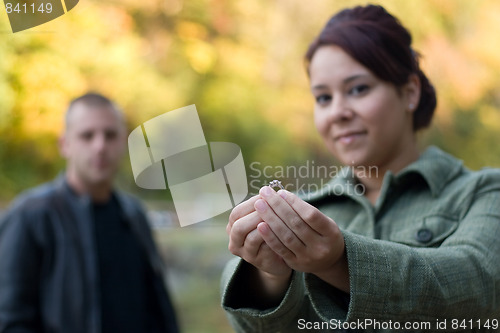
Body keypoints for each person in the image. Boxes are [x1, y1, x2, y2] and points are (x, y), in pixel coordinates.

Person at [221, 4, 500, 332]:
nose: (338, 111)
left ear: (409, 92)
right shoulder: (303, 215)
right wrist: (269, 275)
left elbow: (477, 286)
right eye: (323, 98)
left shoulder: (484, 193)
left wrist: (339, 262)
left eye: (357, 89)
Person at [0, 93, 180, 333]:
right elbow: (10, 318)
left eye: (110, 135)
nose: (100, 146)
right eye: (87, 136)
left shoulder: (133, 215)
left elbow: (159, 310)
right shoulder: (30, 216)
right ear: (65, 144)